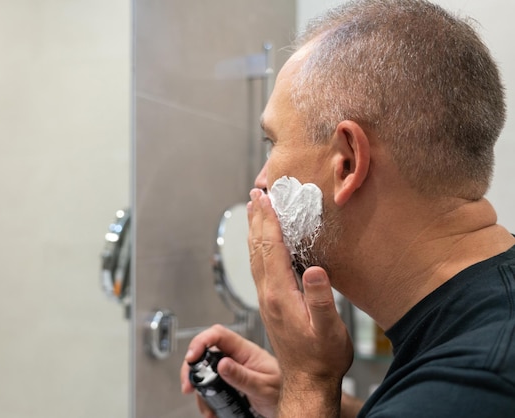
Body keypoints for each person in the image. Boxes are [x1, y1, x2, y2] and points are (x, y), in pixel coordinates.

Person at [180, 0, 515, 416]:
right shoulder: (482, 335)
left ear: (348, 163)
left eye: (274, 143)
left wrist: (308, 385)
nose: (261, 181)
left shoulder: (474, 383)